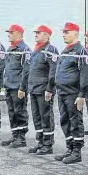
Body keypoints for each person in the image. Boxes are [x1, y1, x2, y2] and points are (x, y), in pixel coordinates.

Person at [53, 22, 88, 164]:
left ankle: (77, 152)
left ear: (75, 33)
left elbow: (85, 75)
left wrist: (81, 95)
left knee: (75, 122)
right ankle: (69, 148)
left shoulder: (81, 52)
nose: (64, 34)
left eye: (67, 32)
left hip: (73, 93)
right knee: (65, 121)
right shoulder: (65, 51)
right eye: (63, 32)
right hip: (62, 92)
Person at [27, 25, 58, 155]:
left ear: (46, 35)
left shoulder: (50, 49)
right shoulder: (36, 50)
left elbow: (53, 71)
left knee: (46, 116)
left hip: (44, 89)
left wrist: (49, 89)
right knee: (37, 117)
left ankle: (48, 144)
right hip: (34, 88)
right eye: (36, 33)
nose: (36, 35)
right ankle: (40, 142)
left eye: (39, 33)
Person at [1, 24, 31, 148]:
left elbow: (26, 70)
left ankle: (21, 138)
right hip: (9, 86)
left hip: (18, 87)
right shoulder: (10, 49)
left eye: (11, 32)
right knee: (12, 112)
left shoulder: (24, 49)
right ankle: (15, 136)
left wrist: (22, 88)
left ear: (19, 34)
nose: (9, 34)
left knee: (20, 112)